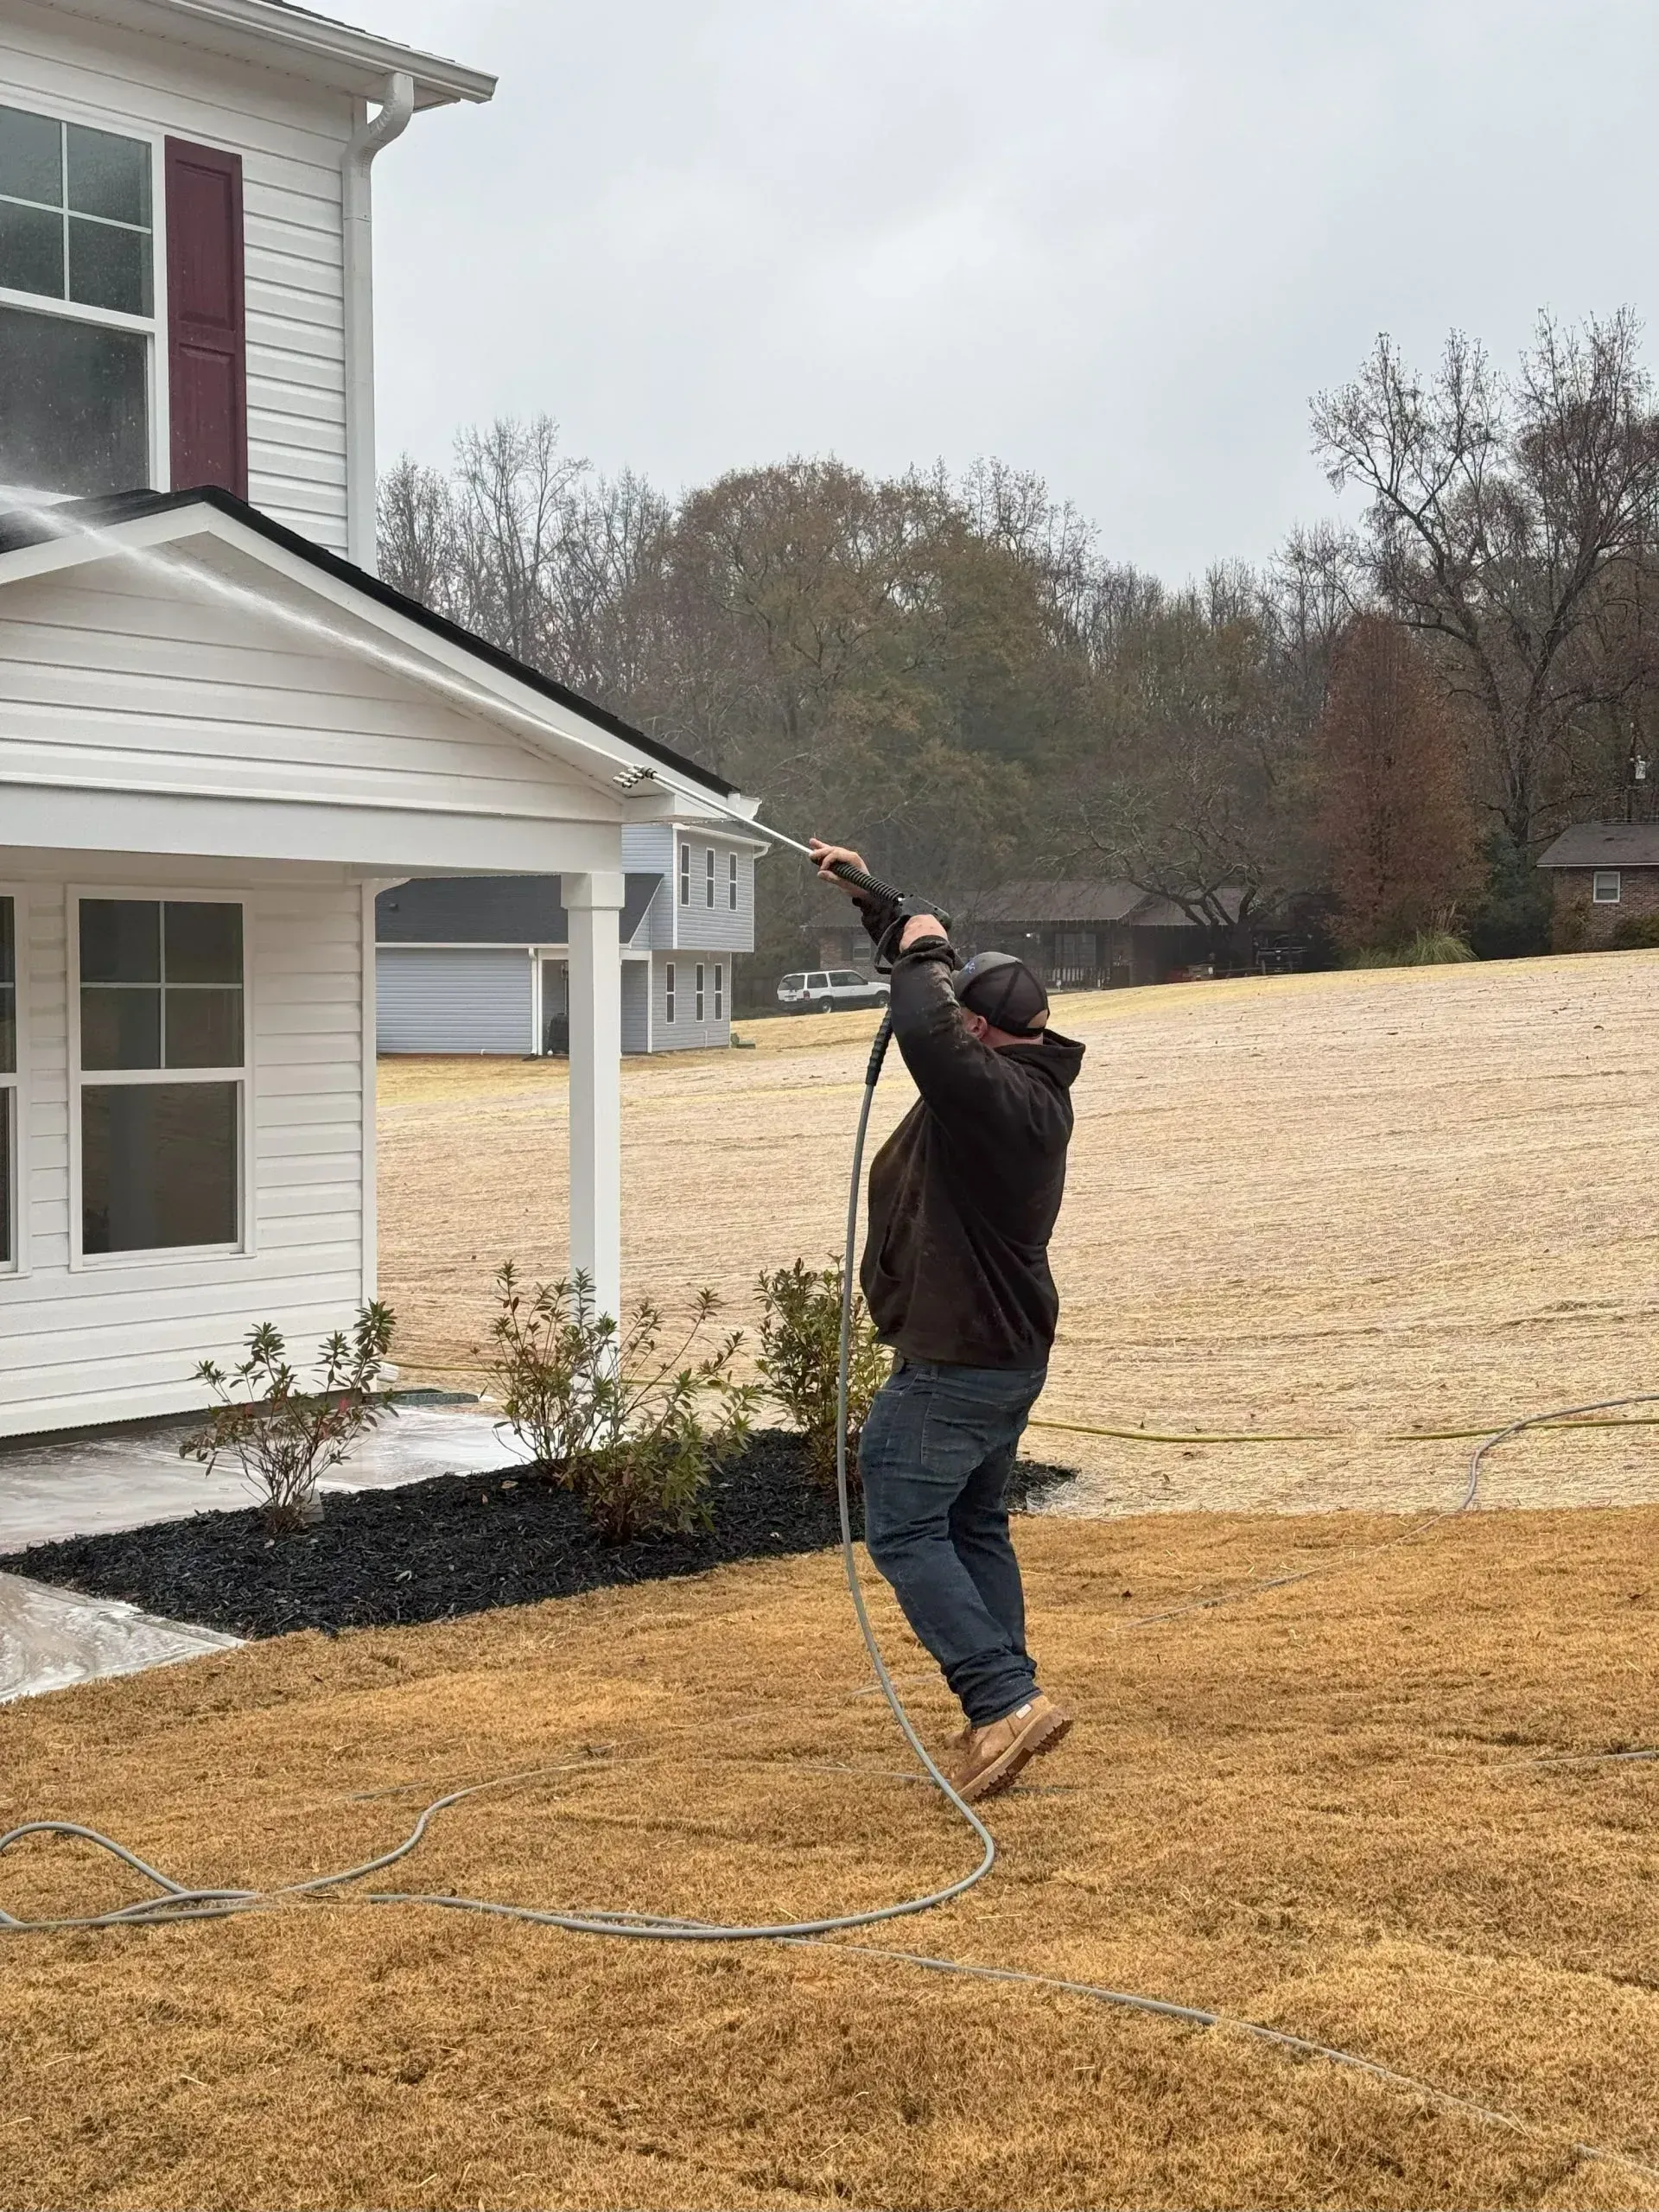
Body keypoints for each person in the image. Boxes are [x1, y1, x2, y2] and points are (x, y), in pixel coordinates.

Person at [810, 838, 1085, 1802]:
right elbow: (939, 996)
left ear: (984, 1028)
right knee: (974, 1525)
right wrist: (880, 901)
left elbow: (930, 1030)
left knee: (906, 1527)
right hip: (999, 1357)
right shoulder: (1020, 1078)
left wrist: (922, 957)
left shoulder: (1000, 1100)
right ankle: (1009, 1710)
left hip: (959, 1361)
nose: (955, 1025)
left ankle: (1001, 1699)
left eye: (965, 1014)